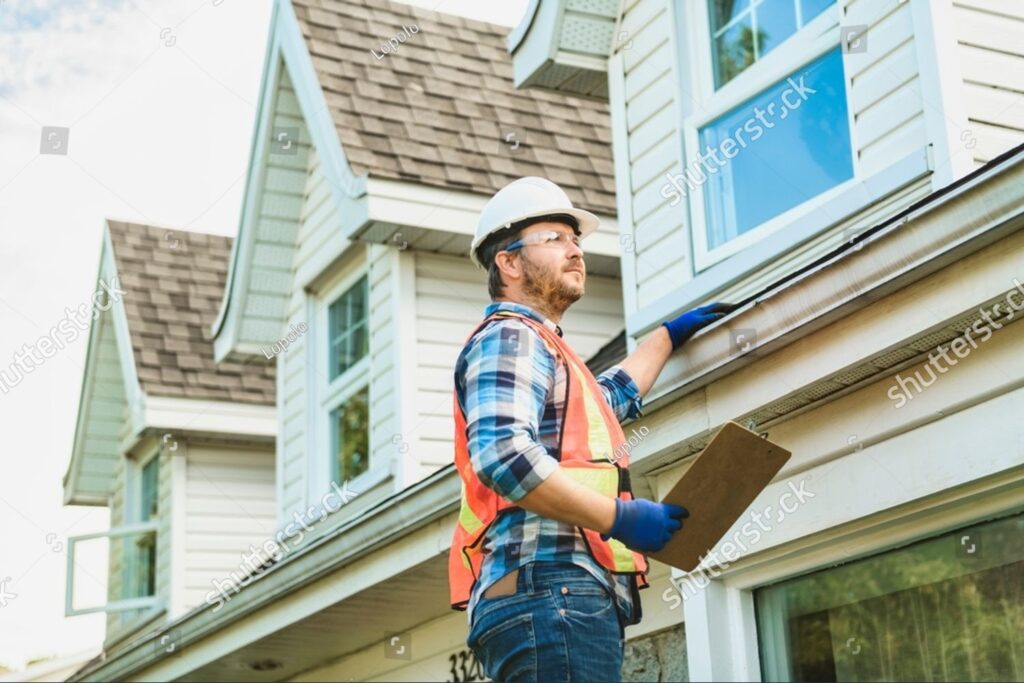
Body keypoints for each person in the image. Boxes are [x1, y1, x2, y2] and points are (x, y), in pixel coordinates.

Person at [448, 177, 735, 682]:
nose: (575, 251)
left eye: (576, 239)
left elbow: (609, 400)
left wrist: (665, 338)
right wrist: (619, 518)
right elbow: (504, 455)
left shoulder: (547, 350)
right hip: (550, 591)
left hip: (554, 596)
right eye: (554, 239)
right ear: (509, 263)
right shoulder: (512, 336)